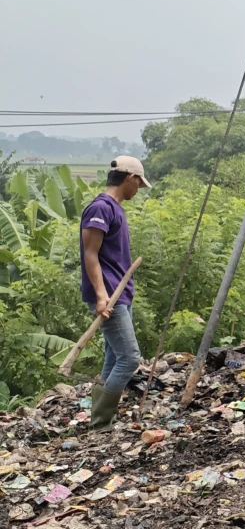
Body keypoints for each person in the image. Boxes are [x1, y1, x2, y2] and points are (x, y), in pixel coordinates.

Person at [81, 156, 151, 430]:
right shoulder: (101, 208)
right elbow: (90, 254)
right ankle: (101, 423)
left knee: (114, 355)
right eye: (139, 184)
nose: (138, 189)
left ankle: (99, 420)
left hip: (120, 293)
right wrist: (100, 295)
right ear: (129, 178)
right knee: (130, 357)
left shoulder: (115, 208)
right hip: (109, 295)